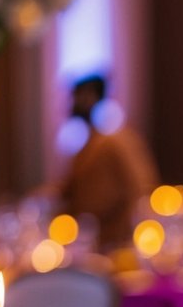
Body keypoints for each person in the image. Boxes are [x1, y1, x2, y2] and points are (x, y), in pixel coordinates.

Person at [58, 75, 158, 248]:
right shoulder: (90, 144)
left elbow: (141, 187)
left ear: (90, 96)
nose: (70, 104)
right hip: (92, 242)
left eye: (75, 96)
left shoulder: (114, 141)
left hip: (116, 243)